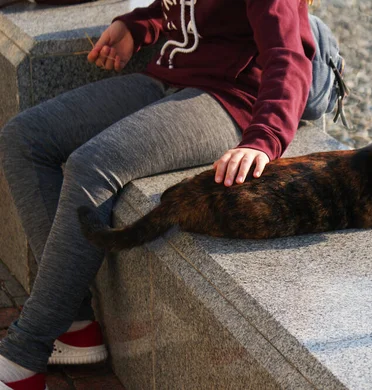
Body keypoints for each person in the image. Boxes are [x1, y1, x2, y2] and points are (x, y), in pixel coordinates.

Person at [0, 0, 315, 388]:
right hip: (170, 77)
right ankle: (76, 328)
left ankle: (25, 351)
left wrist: (264, 138)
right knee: (25, 138)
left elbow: (290, 56)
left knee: (91, 165)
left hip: (228, 101)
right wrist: (138, 26)